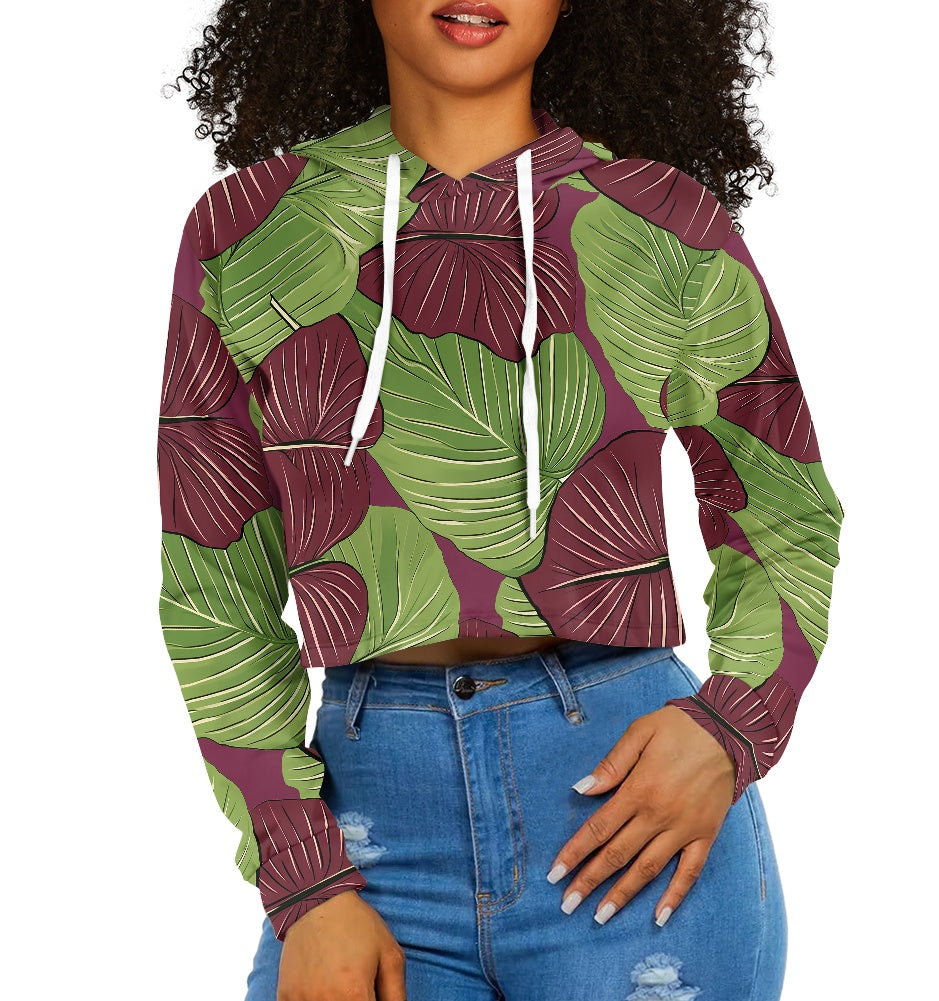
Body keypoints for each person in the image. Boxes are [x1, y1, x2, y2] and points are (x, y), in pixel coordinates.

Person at [157, 2, 844, 999]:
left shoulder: (659, 221)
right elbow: (213, 579)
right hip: (367, 828)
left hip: (634, 813)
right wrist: (302, 882)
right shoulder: (250, 230)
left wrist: (730, 727)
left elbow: (782, 511)